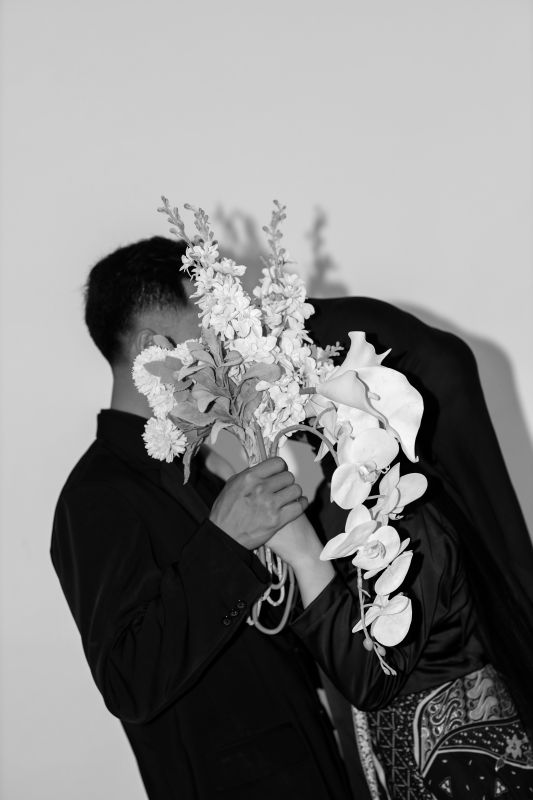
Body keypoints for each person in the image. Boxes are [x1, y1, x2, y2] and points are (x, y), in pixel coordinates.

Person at [50, 237, 354, 800]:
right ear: (154, 349)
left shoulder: (206, 471)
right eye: (211, 331)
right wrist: (225, 542)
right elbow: (128, 681)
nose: (229, 350)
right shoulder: (96, 493)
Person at [263, 298, 533, 799]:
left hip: (464, 773)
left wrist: (302, 554)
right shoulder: (342, 503)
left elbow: (370, 678)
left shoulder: (406, 509)